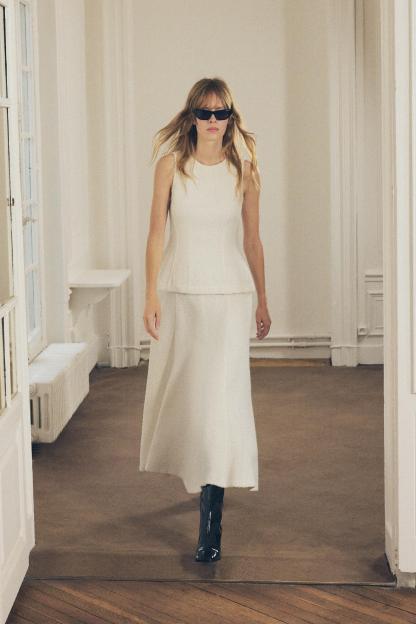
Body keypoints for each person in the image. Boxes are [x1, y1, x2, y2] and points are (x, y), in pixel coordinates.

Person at [139, 77, 271, 563]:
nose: (213, 122)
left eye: (221, 113)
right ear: (191, 115)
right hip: (180, 295)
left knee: (220, 401)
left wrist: (263, 299)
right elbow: (156, 234)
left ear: (231, 118)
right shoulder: (171, 166)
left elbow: (252, 241)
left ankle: (211, 520)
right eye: (204, 112)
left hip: (229, 297)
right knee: (191, 397)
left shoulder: (245, 172)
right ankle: (199, 477)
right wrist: (150, 294)